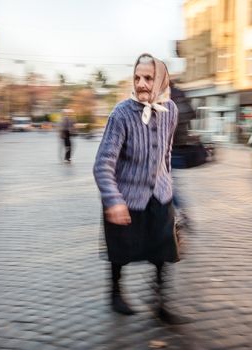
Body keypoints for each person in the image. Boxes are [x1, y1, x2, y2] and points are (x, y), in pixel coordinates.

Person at [93, 54, 185, 324]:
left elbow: (166, 153)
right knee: (121, 252)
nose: (142, 84)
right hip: (127, 197)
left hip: (160, 194)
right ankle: (115, 292)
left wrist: (169, 187)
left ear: (162, 80)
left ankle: (160, 302)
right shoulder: (121, 114)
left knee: (163, 252)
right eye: (137, 78)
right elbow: (103, 163)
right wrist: (113, 200)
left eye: (149, 78)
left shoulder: (172, 111)